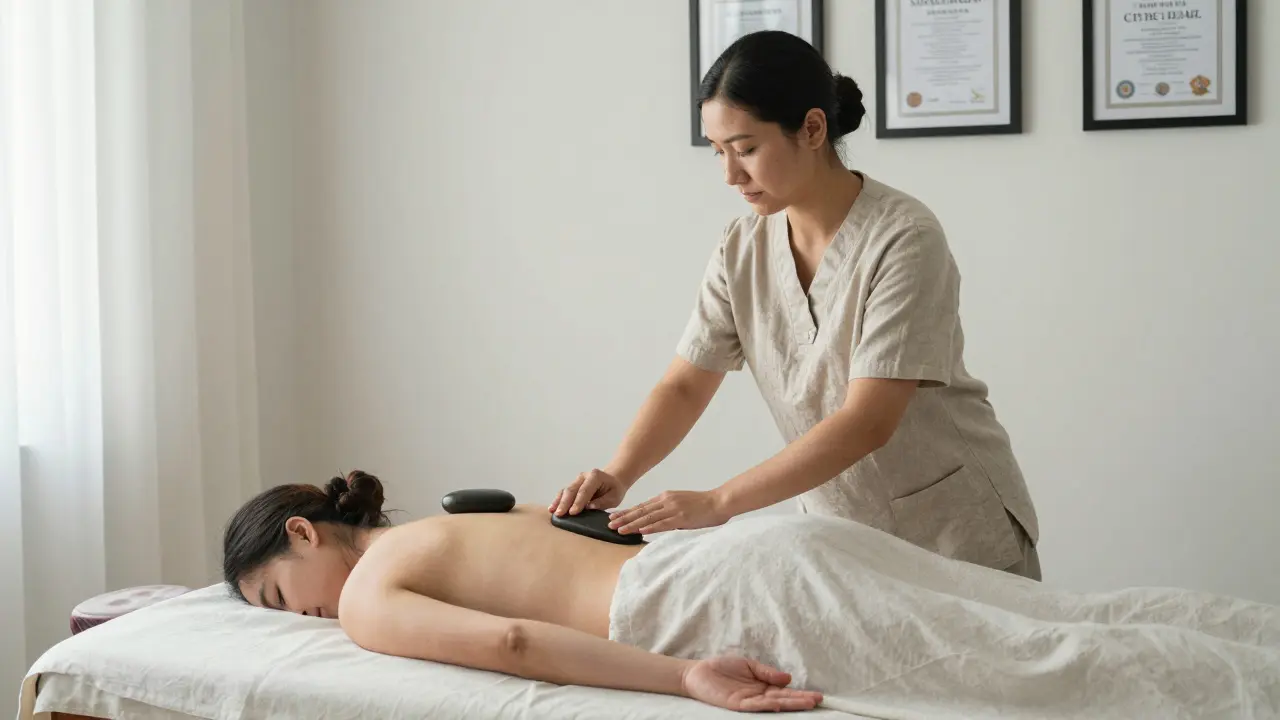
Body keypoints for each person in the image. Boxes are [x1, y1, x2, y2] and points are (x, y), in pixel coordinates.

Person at [550, 30, 1041, 579]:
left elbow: (868, 420)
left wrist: (717, 504)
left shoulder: (905, 237)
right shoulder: (742, 248)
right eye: (719, 152)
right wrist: (620, 472)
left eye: (746, 149)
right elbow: (686, 383)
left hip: (955, 531)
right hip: (840, 534)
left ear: (812, 128)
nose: (730, 175)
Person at [223, 473, 1280, 718]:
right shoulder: (441, 523)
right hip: (767, 549)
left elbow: (507, 641)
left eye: (278, 595)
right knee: (1058, 621)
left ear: (307, 534)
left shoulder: (370, 592)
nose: (302, 617)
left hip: (720, 600)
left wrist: (682, 674)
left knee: (1042, 669)